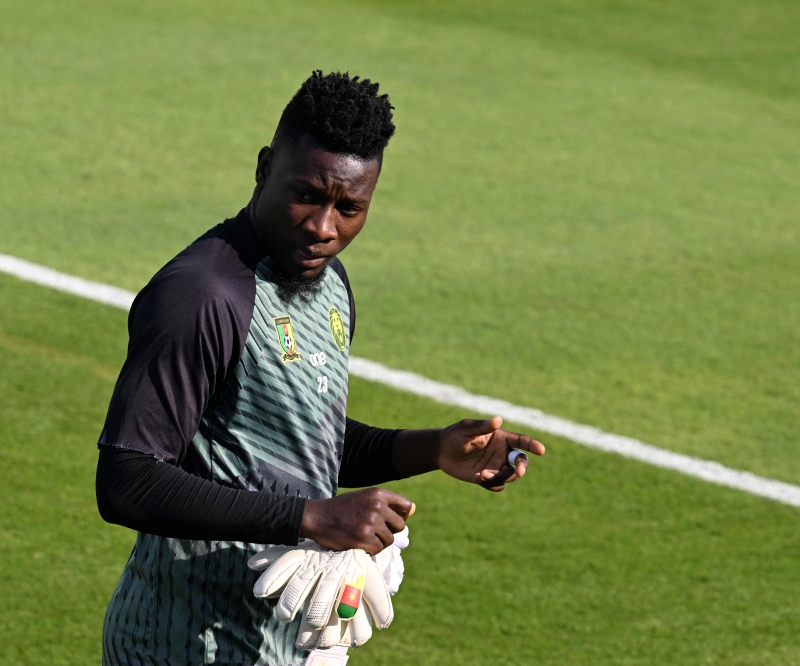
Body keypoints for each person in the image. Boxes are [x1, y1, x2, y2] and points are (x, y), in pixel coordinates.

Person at [95, 70, 545, 666]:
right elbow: (127, 478)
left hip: (287, 645)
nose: (323, 227)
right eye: (306, 194)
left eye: (349, 208)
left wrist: (433, 449)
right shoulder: (202, 295)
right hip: (182, 644)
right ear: (263, 168)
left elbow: (301, 438)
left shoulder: (328, 282)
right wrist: (311, 517)